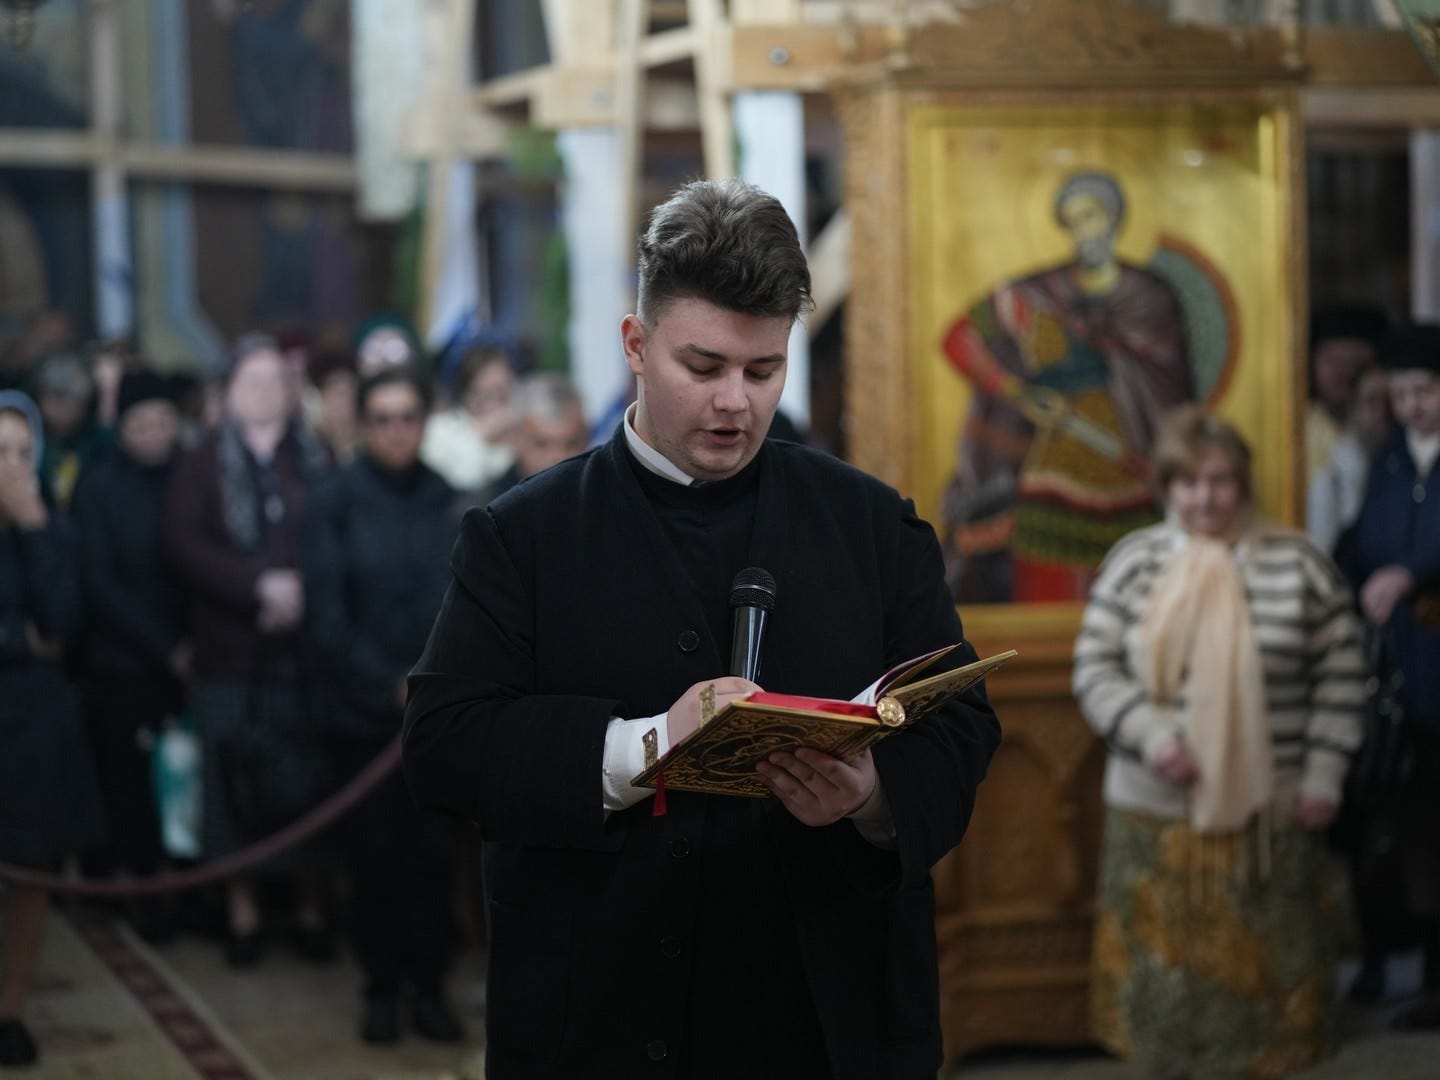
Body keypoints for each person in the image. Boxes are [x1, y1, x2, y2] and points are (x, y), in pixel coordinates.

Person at [402, 178, 1002, 1079]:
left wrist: (871, 793)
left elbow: (962, 724)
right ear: (636, 346)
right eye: (704, 366)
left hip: (827, 1011)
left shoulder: (873, 526)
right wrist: (643, 746)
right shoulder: (523, 536)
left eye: (764, 371)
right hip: (600, 1009)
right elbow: (443, 744)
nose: (735, 404)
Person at [1073, 406, 1364, 1079]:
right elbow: (1094, 668)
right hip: (1156, 812)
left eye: (1220, 480)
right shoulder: (1135, 562)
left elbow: (1343, 674)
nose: (1205, 498)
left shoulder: (1298, 562)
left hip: (1272, 813)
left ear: (1242, 483)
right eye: (1189, 482)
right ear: (1167, 487)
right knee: (1167, 1000)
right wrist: (1152, 737)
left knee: (1271, 1006)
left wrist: (1324, 775)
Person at [938, 170, 1194, 604]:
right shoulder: (1040, 293)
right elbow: (958, 339)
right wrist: (1018, 393)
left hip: (1129, 459)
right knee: (1045, 566)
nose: (1083, 231)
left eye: (1091, 216)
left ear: (1115, 218)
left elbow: (1167, 384)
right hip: (1056, 452)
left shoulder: (1149, 297)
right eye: (1072, 221)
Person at [301, 367, 464, 1046]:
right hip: (359, 718)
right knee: (373, 862)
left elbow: (463, 605)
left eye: (408, 417)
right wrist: (387, 684)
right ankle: (381, 989)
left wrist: (430, 681)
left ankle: (430, 988)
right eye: (383, 419)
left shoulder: (450, 500)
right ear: (363, 425)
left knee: (433, 860)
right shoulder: (332, 502)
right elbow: (326, 619)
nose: (397, 431)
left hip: (436, 715)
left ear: (424, 422)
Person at [163, 333, 333, 969]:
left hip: (305, 655)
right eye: (250, 381)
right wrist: (257, 585)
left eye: (274, 381)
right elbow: (183, 544)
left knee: (309, 785)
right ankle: (244, 913)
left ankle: (311, 909)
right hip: (231, 654)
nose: (264, 392)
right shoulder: (201, 461)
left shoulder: (314, 454)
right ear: (228, 391)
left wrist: (303, 587)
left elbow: (335, 530)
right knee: (231, 789)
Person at [1336, 322, 1440, 1027]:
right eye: (1400, 393)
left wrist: (1413, 574)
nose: (1412, 406)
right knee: (1410, 827)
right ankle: (1419, 975)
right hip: (1403, 678)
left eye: (1425, 390)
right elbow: (1367, 541)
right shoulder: (1392, 459)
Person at [0, 391, 105, 1068]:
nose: (12, 466)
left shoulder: (52, 531)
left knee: (30, 869)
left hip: (34, 724)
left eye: (23, 452)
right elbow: (31, 634)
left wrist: (33, 524)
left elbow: (65, 626)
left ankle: (8, 1009)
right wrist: (17, 638)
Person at [70, 370, 192, 942]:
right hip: (121, 665)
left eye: (163, 422)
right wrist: (167, 648)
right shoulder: (98, 485)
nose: (154, 434)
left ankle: (191, 889)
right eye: (141, 424)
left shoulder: (192, 475)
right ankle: (143, 890)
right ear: (120, 428)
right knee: (131, 787)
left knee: (186, 781)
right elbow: (97, 583)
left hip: (193, 659)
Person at [1307, 361, 1392, 554]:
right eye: (1371, 401)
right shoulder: (1331, 472)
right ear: (1353, 407)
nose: (1383, 412)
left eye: (1389, 400)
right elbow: (1324, 551)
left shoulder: (1397, 461)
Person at [472, 371, 588, 504]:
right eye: (541, 444)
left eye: (571, 444)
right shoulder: (484, 509)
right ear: (515, 438)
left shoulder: (602, 503)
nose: (557, 456)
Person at [1305, 304, 1388, 482]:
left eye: (1355, 362)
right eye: (1332, 361)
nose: (1343, 373)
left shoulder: (1393, 430)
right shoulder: (1294, 429)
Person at [420, 346, 517, 494]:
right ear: (466, 395)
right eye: (486, 395)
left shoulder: (521, 430)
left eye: (502, 393)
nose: (495, 405)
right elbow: (466, 483)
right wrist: (480, 437)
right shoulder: (439, 431)